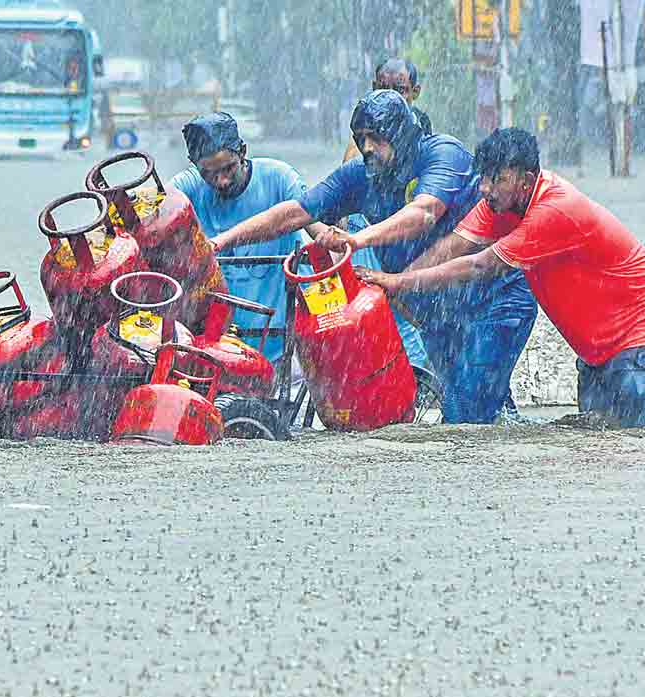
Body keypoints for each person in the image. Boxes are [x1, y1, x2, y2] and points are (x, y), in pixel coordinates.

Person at [209, 90, 538, 424]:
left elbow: (424, 212)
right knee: (477, 407)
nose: (367, 148)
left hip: (495, 299)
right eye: (360, 138)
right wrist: (221, 242)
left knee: (465, 411)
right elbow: (296, 212)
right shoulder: (361, 175)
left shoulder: (442, 155)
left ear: (402, 135)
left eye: (376, 138)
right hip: (434, 311)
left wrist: (356, 239)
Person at [355, 128, 645, 428]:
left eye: (497, 179)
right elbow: (455, 246)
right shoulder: (500, 205)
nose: (485, 188)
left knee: (640, 444)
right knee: (596, 441)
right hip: (599, 352)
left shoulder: (553, 210)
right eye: (483, 177)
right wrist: (397, 282)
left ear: (526, 180)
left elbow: (480, 265)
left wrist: (399, 283)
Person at [171, 112, 328, 368]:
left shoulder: (279, 178)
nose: (220, 180)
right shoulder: (187, 187)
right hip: (215, 350)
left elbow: (314, 225)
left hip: (282, 344)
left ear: (243, 151)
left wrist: (333, 239)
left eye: (228, 168)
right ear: (193, 164)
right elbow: (158, 210)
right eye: (208, 173)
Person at [341, 58, 435, 372]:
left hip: (412, 237)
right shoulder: (361, 147)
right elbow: (343, 205)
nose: (392, 96)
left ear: (415, 93)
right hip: (373, 238)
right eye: (384, 89)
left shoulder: (425, 135)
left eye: (400, 90)